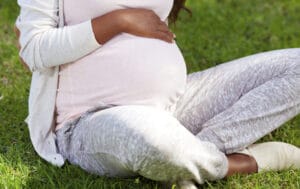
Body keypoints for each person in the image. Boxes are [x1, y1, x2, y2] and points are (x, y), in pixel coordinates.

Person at [15, 0, 300, 188]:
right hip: (91, 121)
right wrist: (119, 20)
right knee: (153, 141)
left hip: (173, 107)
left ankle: (187, 158)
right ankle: (237, 163)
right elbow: (33, 49)